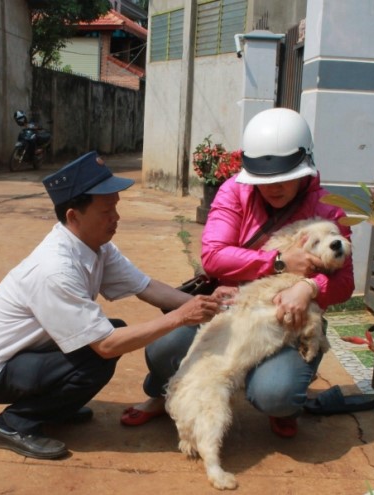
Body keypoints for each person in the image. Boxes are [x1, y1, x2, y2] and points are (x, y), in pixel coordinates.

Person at [0, 151, 234, 460]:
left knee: (114, 332)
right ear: (73, 216)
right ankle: (13, 424)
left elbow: (147, 287)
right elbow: (105, 347)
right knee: (99, 356)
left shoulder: (97, 247)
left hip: (33, 353)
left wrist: (207, 305)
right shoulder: (54, 269)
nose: (116, 217)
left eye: (116, 207)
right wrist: (179, 318)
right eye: (106, 210)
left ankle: (55, 408)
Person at [121, 108, 355, 438]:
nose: (273, 188)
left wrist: (309, 287)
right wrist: (278, 262)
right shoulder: (235, 191)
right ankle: (161, 394)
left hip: (287, 321)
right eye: (264, 180)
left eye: (284, 178)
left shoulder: (328, 210)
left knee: (276, 393)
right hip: (229, 308)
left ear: (304, 168)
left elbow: (345, 283)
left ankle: (283, 403)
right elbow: (213, 256)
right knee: (164, 348)